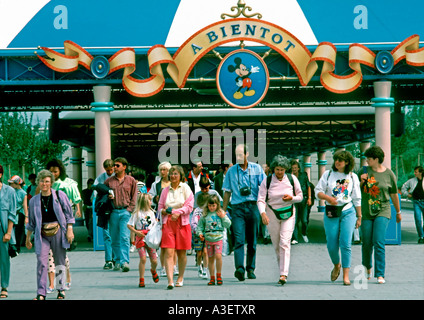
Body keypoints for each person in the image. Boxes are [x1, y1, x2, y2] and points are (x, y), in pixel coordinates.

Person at [25, 170, 75, 300]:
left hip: (58, 231)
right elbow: (31, 222)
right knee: (41, 262)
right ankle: (41, 292)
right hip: (42, 233)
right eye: (42, 181)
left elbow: (69, 215)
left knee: (60, 261)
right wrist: (28, 238)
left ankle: (61, 289)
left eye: (47, 181)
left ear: (51, 183)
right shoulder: (34, 201)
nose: (44, 184)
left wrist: (70, 230)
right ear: (38, 183)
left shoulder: (60, 195)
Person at [315, 150, 361, 286]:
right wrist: (328, 198)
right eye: (336, 159)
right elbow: (318, 191)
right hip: (331, 211)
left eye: (340, 160)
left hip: (348, 211)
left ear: (347, 163)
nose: (337, 162)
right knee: (331, 243)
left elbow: (357, 198)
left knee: (346, 243)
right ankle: (337, 265)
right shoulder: (327, 174)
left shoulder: (353, 177)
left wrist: (359, 216)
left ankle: (346, 275)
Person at [222, 144, 266, 281]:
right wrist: (223, 211)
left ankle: (251, 269)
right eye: (236, 155)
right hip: (237, 208)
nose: (238, 158)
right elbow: (227, 192)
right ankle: (239, 269)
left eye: (241, 155)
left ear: (247, 154)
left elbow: (264, 187)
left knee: (252, 240)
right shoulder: (231, 171)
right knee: (239, 239)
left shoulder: (256, 168)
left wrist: (264, 207)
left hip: (253, 207)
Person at [257, 155, 303, 285]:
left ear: (286, 169)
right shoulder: (267, 181)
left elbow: (300, 196)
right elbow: (260, 199)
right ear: (273, 169)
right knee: (277, 245)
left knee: (284, 242)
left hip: (288, 213)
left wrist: (291, 199)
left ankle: (283, 274)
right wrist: (263, 214)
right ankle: (281, 270)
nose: (280, 172)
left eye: (282, 169)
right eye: (277, 169)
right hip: (272, 213)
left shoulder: (292, 179)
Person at [359, 146, 401, 284]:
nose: (367, 161)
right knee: (366, 242)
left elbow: (394, 194)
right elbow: (355, 191)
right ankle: (367, 267)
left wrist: (398, 212)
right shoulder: (363, 171)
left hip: (383, 209)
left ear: (376, 159)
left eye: (369, 159)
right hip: (366, 211)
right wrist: (361, 181)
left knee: (378, 241)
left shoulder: (389, 174)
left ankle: (380, 273)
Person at [46, 158, 82, 292]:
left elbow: (75, 200)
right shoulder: (45, 184)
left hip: (62, 224)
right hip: (47, 224)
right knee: (49, 254)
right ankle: (51, 284)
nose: (53, 174)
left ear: (60, 171)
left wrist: (70, 226)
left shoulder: (67, 185)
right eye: (50, 171)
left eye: (55, 171)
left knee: (61, 254)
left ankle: (65, 279)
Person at [158, 165, 194, 289]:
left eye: (176, 173)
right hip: (168, 223)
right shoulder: (165, 190)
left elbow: (189, 206)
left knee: (181, 253)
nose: (173, 176)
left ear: (180, 175)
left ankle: (180, 277)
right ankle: (170, 280)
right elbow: (160, 207)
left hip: (182, 223)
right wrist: (166, 212)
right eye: (171, 173)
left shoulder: (185, 188)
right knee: (168, 251)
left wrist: (178, 212)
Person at [105, 157, 138, 272]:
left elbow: (134, 196)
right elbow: (102, 194)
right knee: (114, 237)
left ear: (124, 167)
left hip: (125, 211)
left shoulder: (131, 180)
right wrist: (107, 198)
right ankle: (117, 260)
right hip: (113, 211)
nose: (114, 167)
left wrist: (130, 209)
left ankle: (125, 262)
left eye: (117, 165)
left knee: (124, 237)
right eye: (114, 165)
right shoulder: (109, 181)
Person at [197, 194, 231, 286]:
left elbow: (228, 224)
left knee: (218, 256)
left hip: (218, 238)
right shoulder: (205, 215)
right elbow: (200, 226)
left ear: (217, 205)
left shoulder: (220, 213)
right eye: (210, 205)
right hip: (208, 239)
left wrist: (223, 217)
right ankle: (212, 277)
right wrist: (200, 233)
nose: (211, 207)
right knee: (210, 258)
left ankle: (219, 275)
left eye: (213, 205)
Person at [127, 193, 159, 287]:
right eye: (149, 200)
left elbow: (154, 225)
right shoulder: (137, 213)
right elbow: (129, 225)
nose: (150, 202)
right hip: (140, 237)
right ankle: (141, 278)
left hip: (150, 238)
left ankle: (153, 270)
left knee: (154, 261)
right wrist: (136, 232)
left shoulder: (152, 213)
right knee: (143, 258)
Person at [148, 161, 171, 277]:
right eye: (161, 170)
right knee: (163, 242)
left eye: (165, 170)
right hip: (160, 215)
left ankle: (173, 266)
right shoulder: (156, 184)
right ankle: (163, 267)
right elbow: (150, 197)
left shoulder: (174, 183)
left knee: (172, 243)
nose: (163, 172)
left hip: (173, 214)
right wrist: (155, 199)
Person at [92, 159, 115, 269]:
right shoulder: (100, 178)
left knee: (116, 235)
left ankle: (116, 258)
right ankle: (109, 259)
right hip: (105, 208)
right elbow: (95, 190)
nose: (110, 172)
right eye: (108, 170)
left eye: (111, 170)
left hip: (115, 208)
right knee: (107, 234)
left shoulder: (118, 177)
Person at [0, 165, 17, 299]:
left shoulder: (9, 191)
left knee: (4, 260)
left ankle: (4, 286)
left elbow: (12, 213)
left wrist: (9, 233)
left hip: (3, 229)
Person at [290, 160, 312, 244]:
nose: (294, 169)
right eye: (293, 168)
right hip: (294, 200)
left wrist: (309, 198)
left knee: (304, 220)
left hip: (304, 199)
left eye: (295, 168)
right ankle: (294, 238)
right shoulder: (290, 177)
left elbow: (308, 187)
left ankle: (304, 233)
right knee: (294, 220)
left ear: (298, 168)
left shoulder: (303, 175)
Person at [401, 166, 424, 243]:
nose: (414, 173)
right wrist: (407, 194)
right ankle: (421, 236)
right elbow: (404, 187)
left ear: (420, 172)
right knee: (418, 219)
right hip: (416, 202)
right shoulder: (412, 181)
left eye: (416, 172)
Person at [190, 192, 210, 279]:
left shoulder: (209, 211)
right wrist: (197, 231)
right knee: (199, 253)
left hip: (207, 234)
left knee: (205, 252)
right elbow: (193, 222)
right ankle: (199, 267)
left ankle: (205, 269)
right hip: (197, 234)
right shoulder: (197, 211)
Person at [8, 175, 28, 253]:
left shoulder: (23, 193)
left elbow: (25, 205)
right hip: (12, 212)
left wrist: (26, 216)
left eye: (12, 183)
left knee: (19, 230)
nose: (11, 185)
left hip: (20, 213)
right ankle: (12, 245)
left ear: (17, 183)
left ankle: (17, 247)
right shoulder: (11, 191)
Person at [81, 178, 94, 242]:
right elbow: (83, 199)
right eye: (91, 184)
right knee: (87, 221)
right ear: (88, 184)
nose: (92, 185)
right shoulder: (84, 191)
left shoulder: (94, 191)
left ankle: (90, 234)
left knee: (90, 221)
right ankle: (89, 232)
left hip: (92, 207)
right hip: (86, 207)